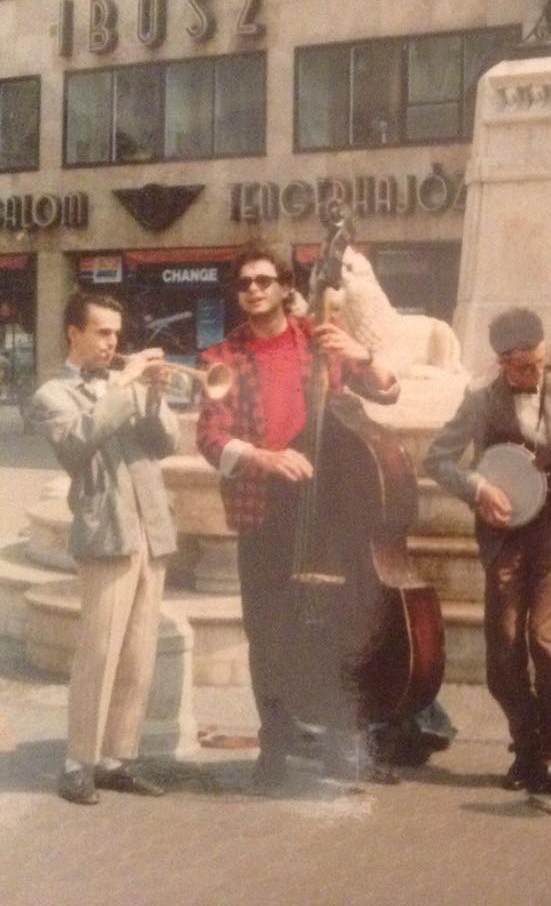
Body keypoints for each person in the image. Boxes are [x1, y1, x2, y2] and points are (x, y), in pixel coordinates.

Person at [195, 242, 400, 793]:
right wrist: (265, 456)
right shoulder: (221, 357)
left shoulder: (320, 341)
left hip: (329, 507)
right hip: (263, 509)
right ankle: (276, 748)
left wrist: (360, 351)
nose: (255, 290)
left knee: (340, 626)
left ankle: (341, 744)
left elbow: (388, 391)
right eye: (244, 283)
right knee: (267, 633)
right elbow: (211, 439)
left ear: (287, 287)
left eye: (265, 280)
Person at [423, 307, 551, 794]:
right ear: (500, 362)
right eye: (518, 368)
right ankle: (526, 743)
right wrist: (477, 488)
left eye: (536, 364)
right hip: (505, 531)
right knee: (506, 648)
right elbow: (438, 459)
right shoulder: (480, 401)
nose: (530, 374)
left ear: (545, 351)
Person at [30, 290, 179, 805]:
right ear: (74, 333)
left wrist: (155, 395)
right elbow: (77, 445)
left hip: (150, 529)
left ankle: (118, 757)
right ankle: (78, 763)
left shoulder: (131, 389)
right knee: (98, 652)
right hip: (106, 532)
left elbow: (166, 445)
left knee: (139, 654)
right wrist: (123, 386)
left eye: (116, 334)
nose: (112, 342)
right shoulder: (52, 394)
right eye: (102, 333)